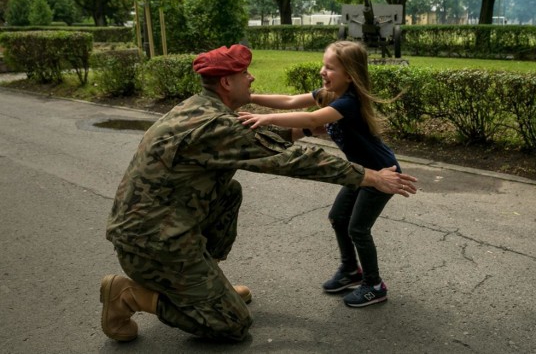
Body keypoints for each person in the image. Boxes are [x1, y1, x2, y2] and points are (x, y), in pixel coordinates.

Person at [101, 44, 417, 343]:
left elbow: (259, 141)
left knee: (229, 192)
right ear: (226, 82)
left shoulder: (198, 108)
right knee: (232, 325)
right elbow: (293, 161)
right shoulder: (214, 126)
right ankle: (130, 294)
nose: (251, 77)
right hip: (150, 244)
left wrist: (304, 129)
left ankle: (204, 286)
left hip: (154, 230)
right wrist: (370, 177)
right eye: (244, 74)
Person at [238, 40, 403, 308]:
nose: (322, 72)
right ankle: (351, 270)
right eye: (323, 65)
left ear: (350, 75)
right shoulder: (330, 94)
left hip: (381, 172)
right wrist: (250, 98)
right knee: (338, 218)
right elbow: (290, 101)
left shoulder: (349, 102)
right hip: (357, 171)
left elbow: (313, 120)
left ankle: (374, 284)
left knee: (358, 228)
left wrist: (266, 119)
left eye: (330, 67)